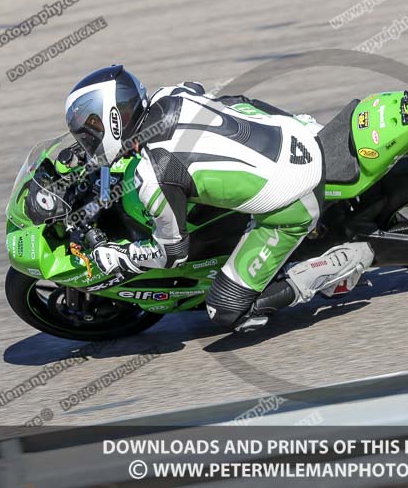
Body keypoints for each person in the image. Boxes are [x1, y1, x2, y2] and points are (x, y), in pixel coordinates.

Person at [64, 65, 373, 331]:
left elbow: (172, 253)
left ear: (113, 121)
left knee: (225, 310)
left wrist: (119, 256)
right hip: (294, 134)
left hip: (295, 197)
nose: (87, 140)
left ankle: (336, 264)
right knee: (232, 109)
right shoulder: (169, 95)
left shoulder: (154, 175)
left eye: (90, 132)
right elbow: (210, 97)